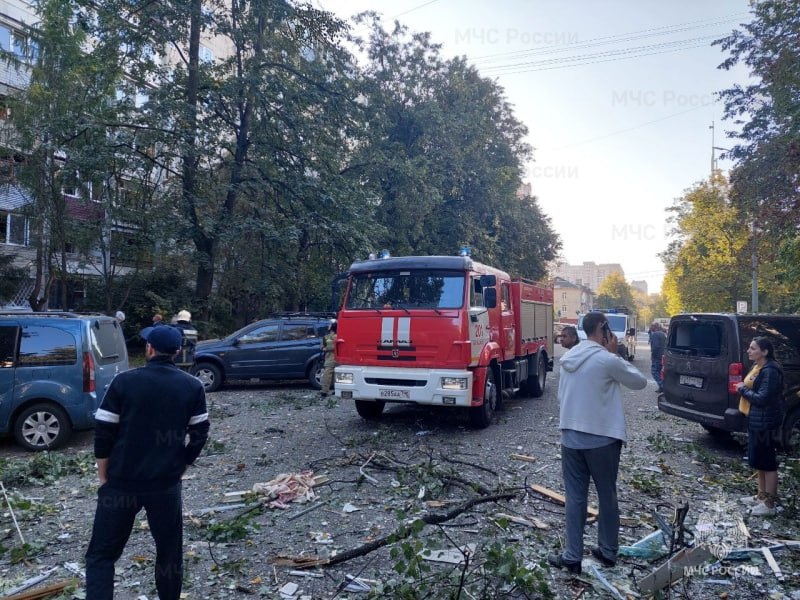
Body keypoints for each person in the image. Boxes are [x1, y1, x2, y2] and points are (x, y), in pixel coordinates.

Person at [85, 326, 209, 599]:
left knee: (101, 556)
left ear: (149, 349)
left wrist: (104, 476)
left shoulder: (124, 382)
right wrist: (181, 466)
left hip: (121, 483)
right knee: (169, 553)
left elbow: (104, 433)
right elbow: (200, 435)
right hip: (164, 486)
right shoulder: (192, 386)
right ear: (177, 352)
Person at [549, 312, 647, 574]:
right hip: (602, 439)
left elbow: (562, 396)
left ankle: (572, 556)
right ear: (603, 328)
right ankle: (607, 551)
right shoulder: (606, 360)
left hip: (570, 436)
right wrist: (615, 353)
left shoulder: (569, 357)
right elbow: (639, 382)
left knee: (575, 497)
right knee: (606, 495)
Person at [736, 337, 784, 517]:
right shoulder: (758, 367)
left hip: (766, 422)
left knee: (767, 462)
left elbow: (763, 398)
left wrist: (742, 389)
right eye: (749, 347)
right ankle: (761, 496)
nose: (749, 351)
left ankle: (769, 504)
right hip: (756, 419)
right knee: (759, 461)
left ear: (764, 352)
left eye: (753, 348)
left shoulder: (770, 371)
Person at [320, 320, 337, 397]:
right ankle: (337, 390)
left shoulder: (326, 337)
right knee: (338, 375)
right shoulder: (341, 336)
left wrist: (325, 349)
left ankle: (324, 391)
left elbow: (322, 347)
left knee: (327, 375)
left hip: (330, 358)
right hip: (340, 359)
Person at [649, 323, 667, 393]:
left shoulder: (655, 334)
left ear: (654, 327)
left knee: (654, 372)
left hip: (657, 356)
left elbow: (655, 347)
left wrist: (653, 355)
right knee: (659, 372)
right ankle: (661, 387)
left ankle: (662, 386)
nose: (650, 328)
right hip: (662, 355)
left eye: (651, 327)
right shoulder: (662, 334)